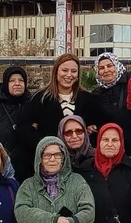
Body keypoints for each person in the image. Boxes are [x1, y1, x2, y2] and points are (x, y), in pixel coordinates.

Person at [19, 54, 112, 183]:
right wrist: (45, 145)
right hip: (51, 164)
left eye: (74, 71)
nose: (69, 75)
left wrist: (91, 132)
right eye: (64, 70)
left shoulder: (88, 99)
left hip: (82, 165)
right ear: (56, 71)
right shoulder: (40, 99)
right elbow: (24, 127)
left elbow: (105, 124)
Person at [75, 123, 131, 223]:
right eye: (105, 140)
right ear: (99, 142)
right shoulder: (86, 168)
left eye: (115, 140)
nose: (110, 144)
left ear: (121, 143)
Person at [14, 137, 96, 223]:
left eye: (57, 155)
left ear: (63, 158)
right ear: (40, 159)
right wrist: (53, 219)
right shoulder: (28, 185)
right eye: (47, 155)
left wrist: (71, 221)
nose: (52, 159)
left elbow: (89, 211)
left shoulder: (77, 181)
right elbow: (21, 211)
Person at [0, 66, 30, 176]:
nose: (17, 83)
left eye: (21, 80)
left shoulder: (32, 104)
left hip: (28, 167)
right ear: (6, 83)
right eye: (12, 80)